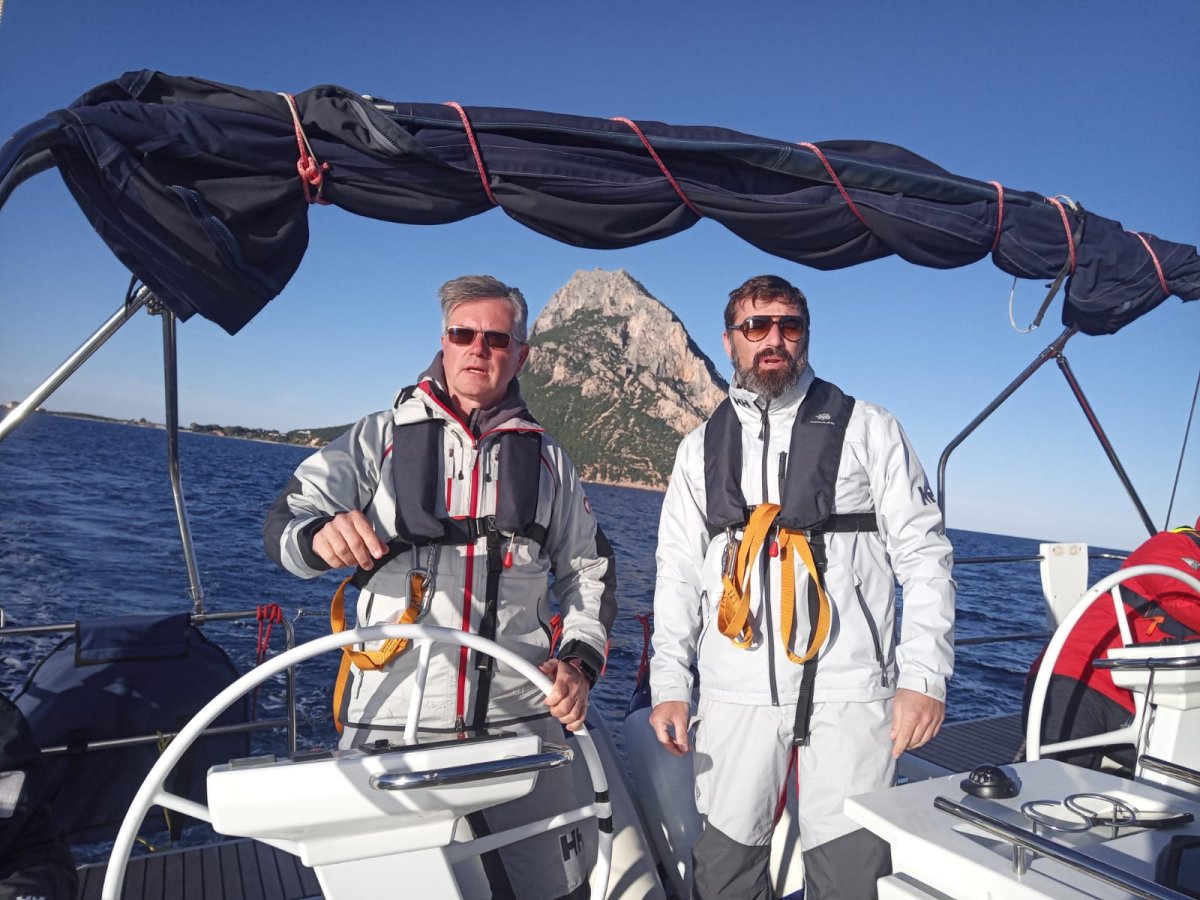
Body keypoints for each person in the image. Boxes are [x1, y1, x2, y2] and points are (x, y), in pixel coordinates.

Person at [264, 274, 616, 900]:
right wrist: (320, 538)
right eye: (464, 334)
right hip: (393, 730)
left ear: (521, 354)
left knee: (559, 893)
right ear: (445, 343)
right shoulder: (378, 439)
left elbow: (589, 571)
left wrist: (580, 663)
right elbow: (283, 524)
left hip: (522, 728)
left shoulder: (550, 464)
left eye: (497, 338)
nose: (479, 348)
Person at [648, 274, 955, 900]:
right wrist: (671, 685)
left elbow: (923, 554)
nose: (773, 339)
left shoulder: (870, 428)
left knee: (851, 877)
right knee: (725, 869)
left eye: (789, 326)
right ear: (730, 342)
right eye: (755, 327)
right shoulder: (698, 449)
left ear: (805, 337)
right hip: (735, 694)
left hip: (850, 692)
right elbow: (677, 572)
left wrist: (923, 679)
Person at [1024, 518, 1200, 771]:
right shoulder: (1171, 545)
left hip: (1142, 702)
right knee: (1054, 784)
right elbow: (1182, 600)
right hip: (1079, 680)